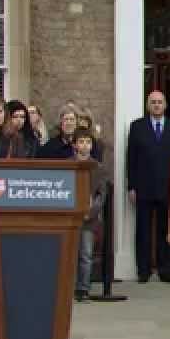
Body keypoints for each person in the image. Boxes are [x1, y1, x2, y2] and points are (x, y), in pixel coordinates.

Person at [126, 90, 170, 283]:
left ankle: (165, 270)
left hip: (169, 187)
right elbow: (131, 159)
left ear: (165, 105)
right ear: (148, 105)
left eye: (160, 102)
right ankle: (143, 271)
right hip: (143, 187)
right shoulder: (137, 127)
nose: (157, 105)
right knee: (143, 231)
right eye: (153, 102)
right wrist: (131, 186)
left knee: (166, 231)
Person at [72, 129, 109, 302]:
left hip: (88, 219)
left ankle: (83, 289)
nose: (84, 145)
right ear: (75, 145)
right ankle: (69, 287)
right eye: (81, 142)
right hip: (70, 218)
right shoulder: (67, 165)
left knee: (86, 254)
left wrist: (90, 212)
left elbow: (101, 195)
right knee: (69, 254)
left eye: (87, 142)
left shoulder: (98, 168)